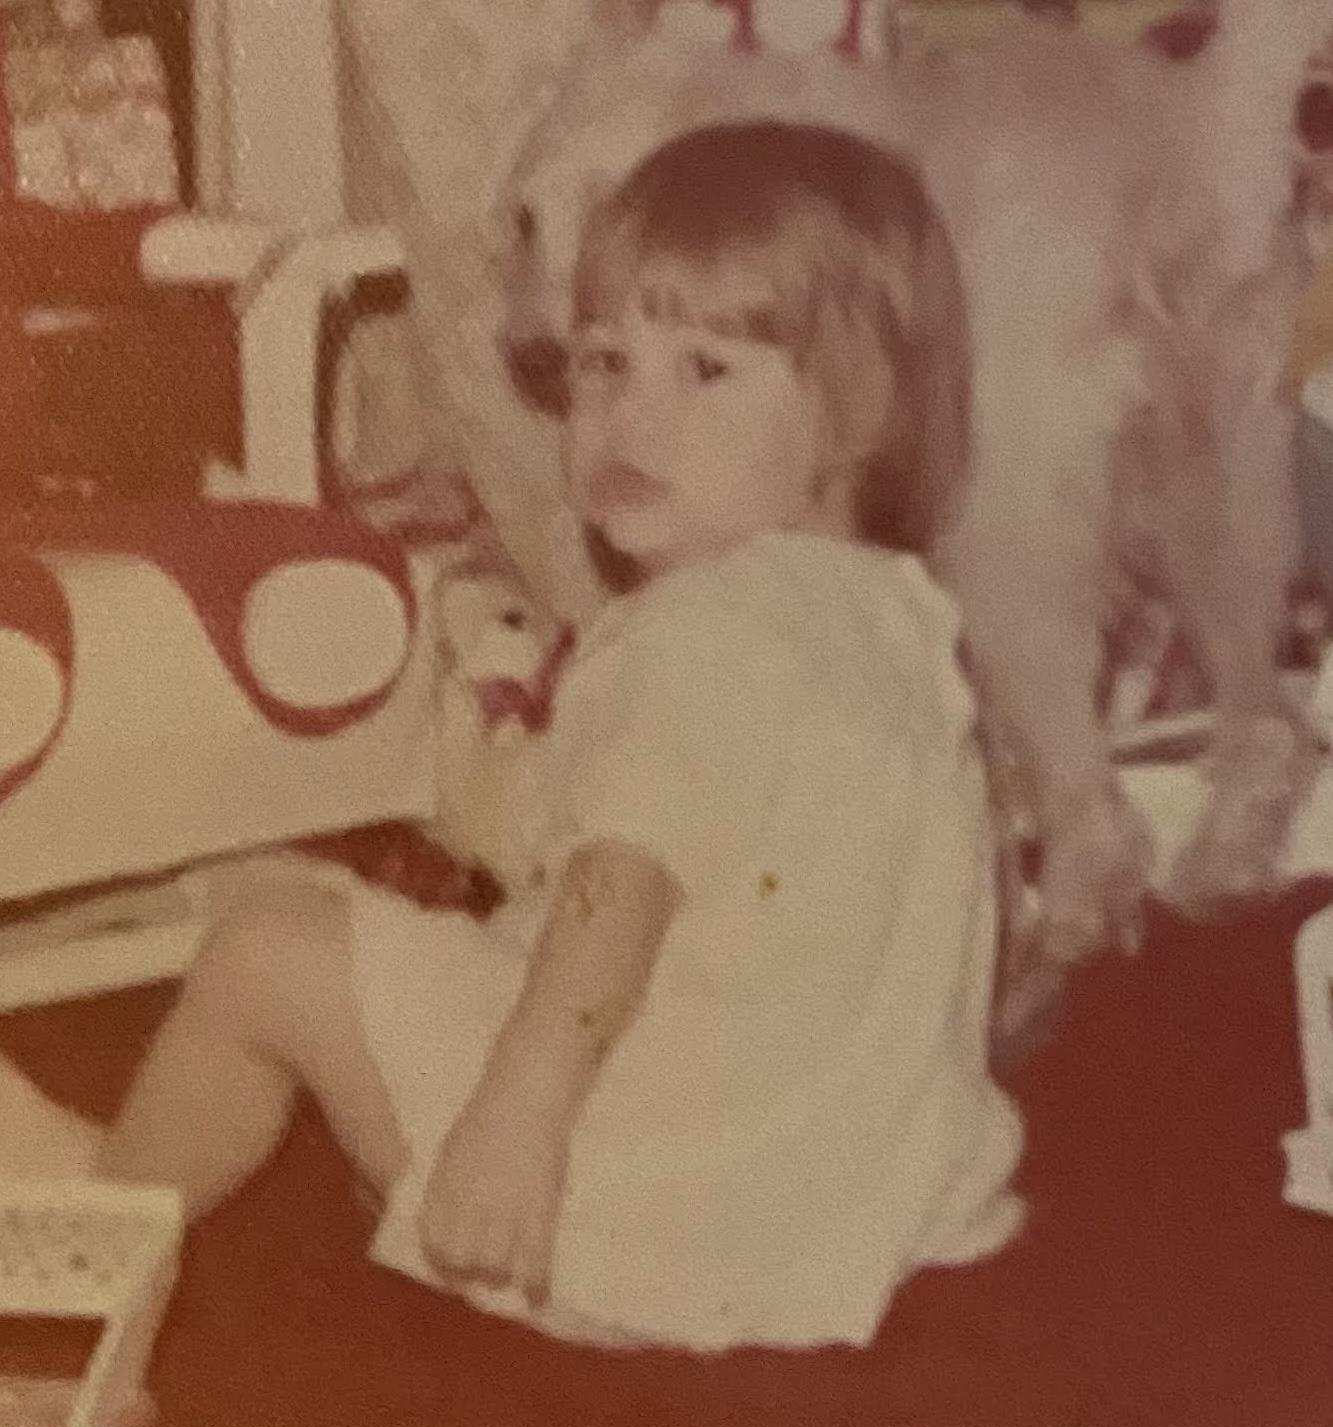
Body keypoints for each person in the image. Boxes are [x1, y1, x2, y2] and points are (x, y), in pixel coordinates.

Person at [11, 120, 1025, 1356]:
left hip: (626, 1190)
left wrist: (515, 1122)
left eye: (701, 370)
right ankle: (151, 1151)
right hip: (835, 1193)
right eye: (601, 363)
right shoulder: (893, 619)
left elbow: (617, 887)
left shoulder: (707, 632)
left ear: (857, 410)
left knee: (265, 946)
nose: (624, 417)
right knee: (330, 910)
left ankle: (109, 1220)